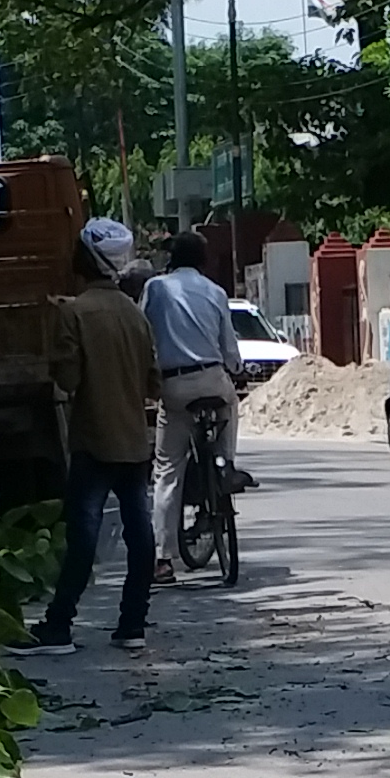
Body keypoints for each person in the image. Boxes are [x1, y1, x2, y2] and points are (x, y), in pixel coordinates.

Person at [19, 232, 160, 653]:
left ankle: (59, 624)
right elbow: (152, 383)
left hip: (93, 439)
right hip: (134, 441)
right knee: (141, 534)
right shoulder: (136, 315)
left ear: (84, 261)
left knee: (82, 537)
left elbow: (68, 379)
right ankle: (132, 624)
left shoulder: (74, 313)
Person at [138, 233, 237, 573]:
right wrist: (233, 369)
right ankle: (227, 465)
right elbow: (230, 351)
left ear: (171, 260)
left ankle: (163, 559)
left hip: (174, 385)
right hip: (212, 377)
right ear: (203, 261)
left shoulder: (156, 288)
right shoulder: (216, 292)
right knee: (229, 405)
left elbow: (142, 332)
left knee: (166, 470)